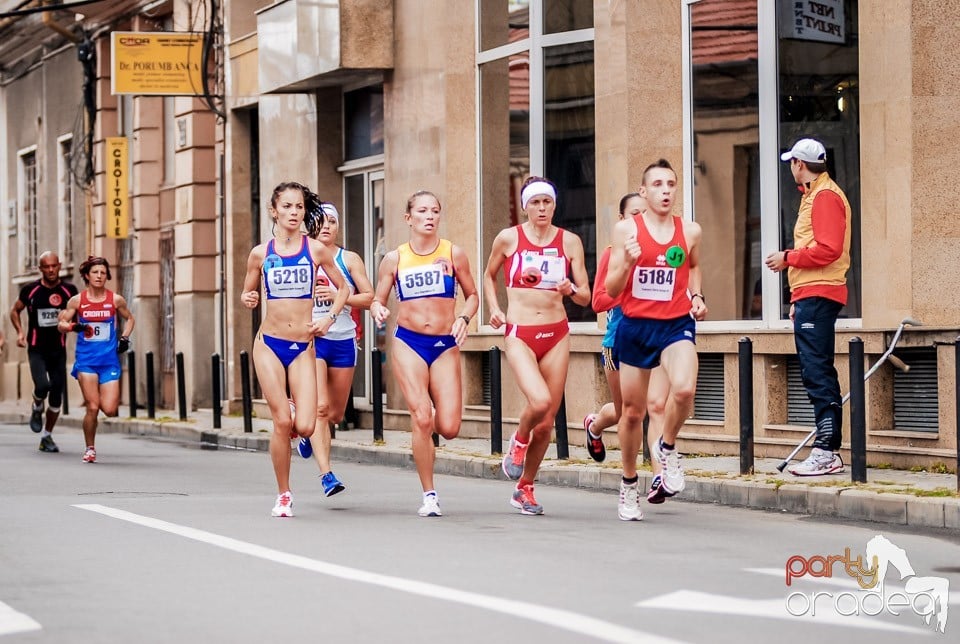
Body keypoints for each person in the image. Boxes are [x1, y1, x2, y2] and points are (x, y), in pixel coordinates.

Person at [605, 159, 708, 521]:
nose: (666, 190)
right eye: (659, 185)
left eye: (672, 184)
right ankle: (629, 483)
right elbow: (611, 289)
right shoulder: (626, 231)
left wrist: (696, 296)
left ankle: (666, 447)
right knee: (632, 413)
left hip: (675, 323)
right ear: (644, 191)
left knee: (683, 390)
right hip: (635, 325)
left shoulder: (690, 230)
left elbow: (693, 266)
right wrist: (629, 264)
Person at [241, 182, 351, 517]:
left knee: (305, 426)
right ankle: (284, 494)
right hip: (269, 344)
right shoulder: (261, 253)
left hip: (304, 345)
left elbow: (344, 288)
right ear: (274, 210)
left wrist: (330, 318)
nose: (294, 213)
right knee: (281, 421)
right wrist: (249, 298)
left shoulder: (315, 249)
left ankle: (293, 410)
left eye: (299, 207)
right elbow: (247, 293)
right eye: (287, 207)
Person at [484, 176, 591, 516]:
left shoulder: (570, 241)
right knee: (541, 401)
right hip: (519, 333)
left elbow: (587, 295)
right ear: (525, 206)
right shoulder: (508, 238)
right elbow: (488, 275)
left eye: (547, 202)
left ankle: (524, 487)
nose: (542, 208)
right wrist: (495, 309)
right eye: (535, 203)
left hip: (556, 333)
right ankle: (518, 441)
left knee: (546, 423)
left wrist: (570, 289)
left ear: (554, 205)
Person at [370, 190, 478, 517]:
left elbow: (472, 295)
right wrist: (376, 308)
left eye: (434, 211)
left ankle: (432, 431)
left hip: (444, 344)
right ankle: (429, 493)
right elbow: (378, 298)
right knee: (422, 416)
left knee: (449, 427)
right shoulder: (395, 259)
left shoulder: (453, 253)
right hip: (408, 341)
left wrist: (464, 317)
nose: (429, 216)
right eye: (422, 211)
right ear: (409, 218)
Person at [765, 138, 851, 477]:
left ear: (800, 164)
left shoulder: (825, 197)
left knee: (817, 372)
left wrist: (787, 258)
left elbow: (828, 249)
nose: (790, 168)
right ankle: (826, 449)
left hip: (819, 294)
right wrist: (796, 298)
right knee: (816, 370)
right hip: (811, 295)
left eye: (792, 162)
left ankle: (827, 451)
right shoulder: (818, 194)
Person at [296, 202, 374, 497]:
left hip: (343, 339)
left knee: (337, 414)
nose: (327, 226)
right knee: (320, 408)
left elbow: (369, 298)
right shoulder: (302, 257)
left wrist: (341, 296)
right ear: (311, 226)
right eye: (321, 221)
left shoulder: (348, 259)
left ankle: (306, 433)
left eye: (332, 221)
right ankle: (326, 474)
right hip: (312, 339)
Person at [583, 192, 645, 463]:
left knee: (651, 407)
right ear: (622, 220)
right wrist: (627, 291)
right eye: (634, 214)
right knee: (623, 412)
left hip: (649, 340)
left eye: (645, 213)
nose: (640, 220)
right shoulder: (611, 254)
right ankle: (594, 426)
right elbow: (597, 301)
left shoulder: (659, 254)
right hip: (617, 343)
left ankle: (657, 471)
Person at [56, 257, 135, 463]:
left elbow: (130, 318)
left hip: (108, 361)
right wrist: (74, 326)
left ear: (106, 275)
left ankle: (99, 404)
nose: (99, 276)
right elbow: (61, 323)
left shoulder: (115, 300)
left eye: (102, 272)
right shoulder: (78, 301)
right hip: (87, 361)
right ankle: (90, 448)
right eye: (95, 272)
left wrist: (125, 338)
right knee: (92, 406)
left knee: (109, 409)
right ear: (87, 276)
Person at [10, 251, 78, 452]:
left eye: (54, 266)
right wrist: (20, 332)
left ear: (59, 266)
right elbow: (15, 310)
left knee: (57, 395)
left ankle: (47, 436)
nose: (50, 270)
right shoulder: (30, 290)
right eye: (46, 267)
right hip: (37, 349)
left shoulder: (69, 291)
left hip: (58, 350)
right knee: (43, 385)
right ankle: (37, 406)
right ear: (40, 269)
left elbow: (79, 314)